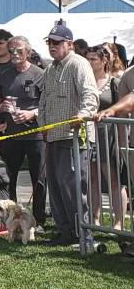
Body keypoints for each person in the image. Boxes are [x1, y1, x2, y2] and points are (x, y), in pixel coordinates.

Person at [38, 23, 98, 246]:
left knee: (73, 186)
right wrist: (43, 125)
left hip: (74, 138)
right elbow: (43, 101)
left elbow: (90, 95)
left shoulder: (79, 64)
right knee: (55, 186)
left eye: (57, 42)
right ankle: (64, 232)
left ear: (69, 44)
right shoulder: (50, 69)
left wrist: (82, 115)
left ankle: (83, 234)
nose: (52, 46)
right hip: (53, 136)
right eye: (49, 42)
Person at [0, 36, 47, 229]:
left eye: (19, 50)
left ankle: (39, 219)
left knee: (38, 179)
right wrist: (1, 107)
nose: (14, 54)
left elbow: (48, 104)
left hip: (35, 135)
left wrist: (32, 114)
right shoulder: (5, 74)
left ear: (28, 52)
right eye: (11, 51)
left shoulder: (40, 73)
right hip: (12, 135)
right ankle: (11, 218)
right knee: (9, 177)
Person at [85, 44, 128, 233]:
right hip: (89, 136)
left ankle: (118, 221)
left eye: (93, 59)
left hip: (109, 136)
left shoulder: (114, 83)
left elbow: (123, 112)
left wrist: (121, 141)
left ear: (104, 61)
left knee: (114, 180)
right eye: (87, 58)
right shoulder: (84, 82)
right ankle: (95, 219)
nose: (89, 62)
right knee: (92, 179)